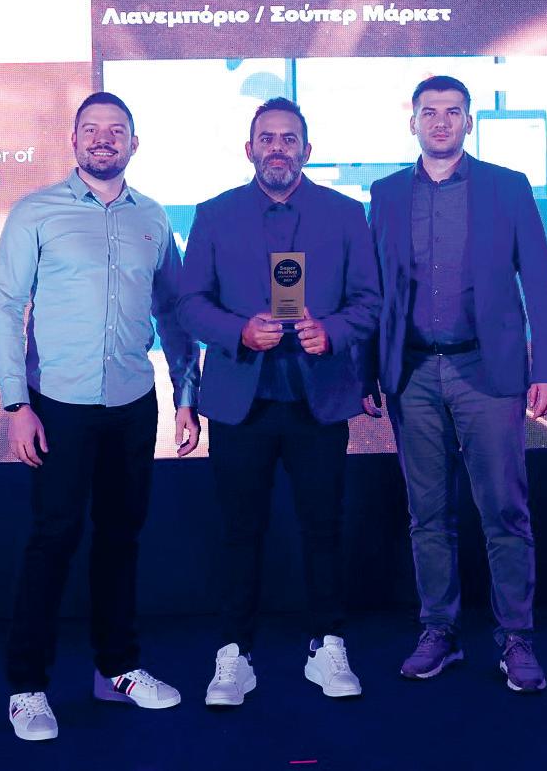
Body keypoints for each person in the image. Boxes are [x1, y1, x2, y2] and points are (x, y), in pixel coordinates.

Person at [0, 91, 201, 740]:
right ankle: (27, 687)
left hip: (133, 403)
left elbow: (173, 314)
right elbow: (5, 309)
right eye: (91, 129)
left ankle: (117, 670)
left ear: (134, 143)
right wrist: (17, 404)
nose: (103, 138)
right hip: (58, 405)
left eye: (116, 130)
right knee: (52, 540)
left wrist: (185, 395)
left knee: (121, 539)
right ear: (74, 140)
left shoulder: (153, 218)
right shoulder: (36, 212)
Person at [365, 75, 547, 692]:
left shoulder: (508, 186)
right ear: (413, 122)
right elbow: (373, 291)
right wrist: (367, 370)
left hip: (488, 370)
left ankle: (516, 638)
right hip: (412, 374)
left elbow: (540, 279)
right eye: (430, 112)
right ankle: (439, 632)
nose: (441, 122)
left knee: (504, 509)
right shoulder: (386, 194)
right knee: (427, 514)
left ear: (469, 122)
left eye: (453, 112)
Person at [178, 97, 380, 706]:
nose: (277, 148)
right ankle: (234, 654)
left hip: (319, 400)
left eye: (289, 139)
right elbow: (190, 304)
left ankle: (327, 645)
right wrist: (238, 331)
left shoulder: (346, 214)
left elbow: (369, 301)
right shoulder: (214, 214)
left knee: (324, 527)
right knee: (239, 532)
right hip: (241, 401)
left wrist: (333, 332)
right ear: (249, 149)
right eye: (267, 138)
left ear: (307, 150)